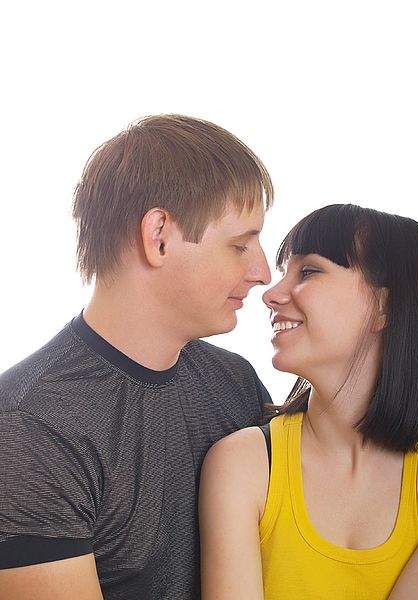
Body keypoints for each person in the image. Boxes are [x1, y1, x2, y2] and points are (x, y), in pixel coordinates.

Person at [0, 114, 274, 600]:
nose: (263, 271)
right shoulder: (30, 426)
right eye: (240, 245)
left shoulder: (235, 382)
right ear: (159, 236)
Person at [199, 203, 418, 599]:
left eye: (309, 271)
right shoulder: (243, 463)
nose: (272, 294)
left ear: (384, 306)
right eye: (286, 272)